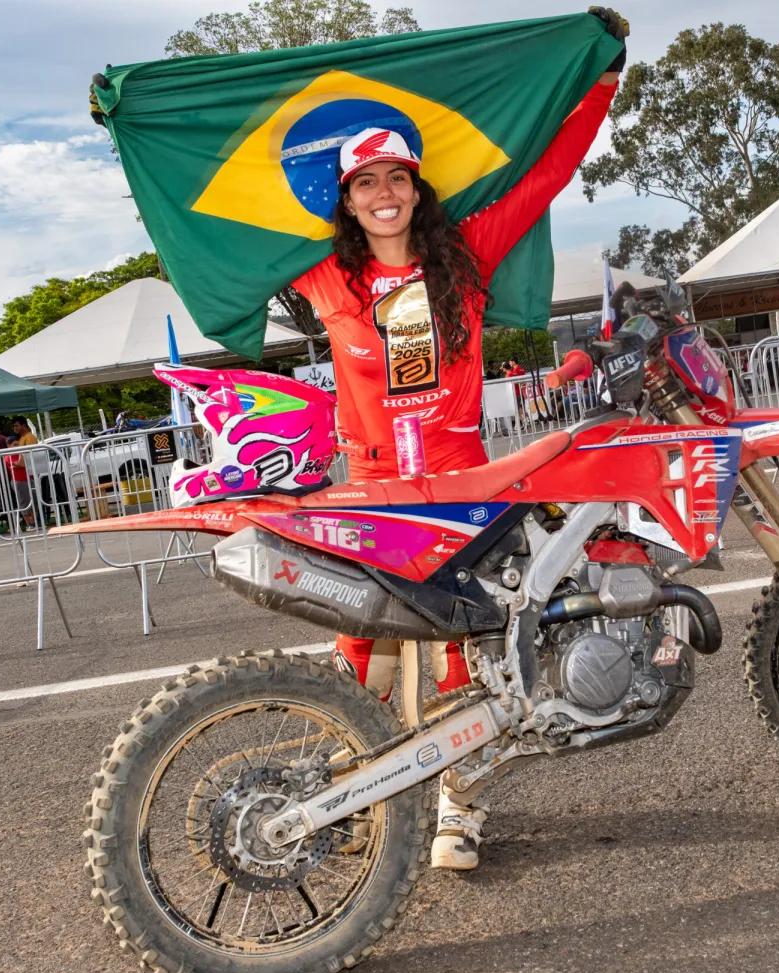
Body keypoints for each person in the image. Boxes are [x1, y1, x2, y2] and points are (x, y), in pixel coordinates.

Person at [290, 9, 627, 871]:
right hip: (368, 492)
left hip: (461, 487)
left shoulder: (467, 254)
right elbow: (214, 231)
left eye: (397, 177)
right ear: (347, 197)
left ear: (417, 185)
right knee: (356, 657)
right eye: (366, 183)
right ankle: (342, 802)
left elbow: (545, 173)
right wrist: (135, 132)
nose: (384, 194)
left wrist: (599, 81)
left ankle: (457, 809)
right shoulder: (323, 276)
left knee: (459, 660)